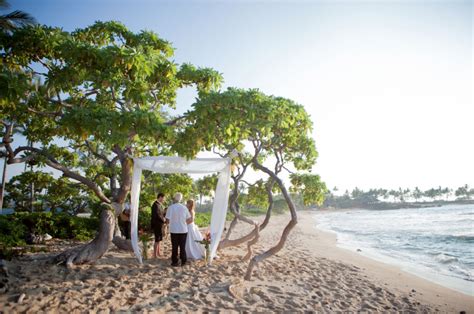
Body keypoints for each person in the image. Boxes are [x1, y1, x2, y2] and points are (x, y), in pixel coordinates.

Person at [165, 192, 192, 266]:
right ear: (181, 199)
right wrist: (183, 223)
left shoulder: (170, 207)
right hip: (183, 230)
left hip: (174, 230)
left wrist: (170, 222)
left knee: (174, 246)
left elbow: (167, 220)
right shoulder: (184, 208)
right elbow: (189, 219)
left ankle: (175, 262)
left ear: (174, 198)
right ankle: (183, 261)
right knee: (182, 247)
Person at [151, 193, 166, 258]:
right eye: (164, 198)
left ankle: (158, 252)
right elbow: (157, 215)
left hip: (160, 224)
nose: (164, 199)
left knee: (159, 239)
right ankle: (155, 254)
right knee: (157, 239)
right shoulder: (155, 205)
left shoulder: (160, 205)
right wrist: (164, 220)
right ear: (160, 197)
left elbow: (161, 214)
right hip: (157, 224)